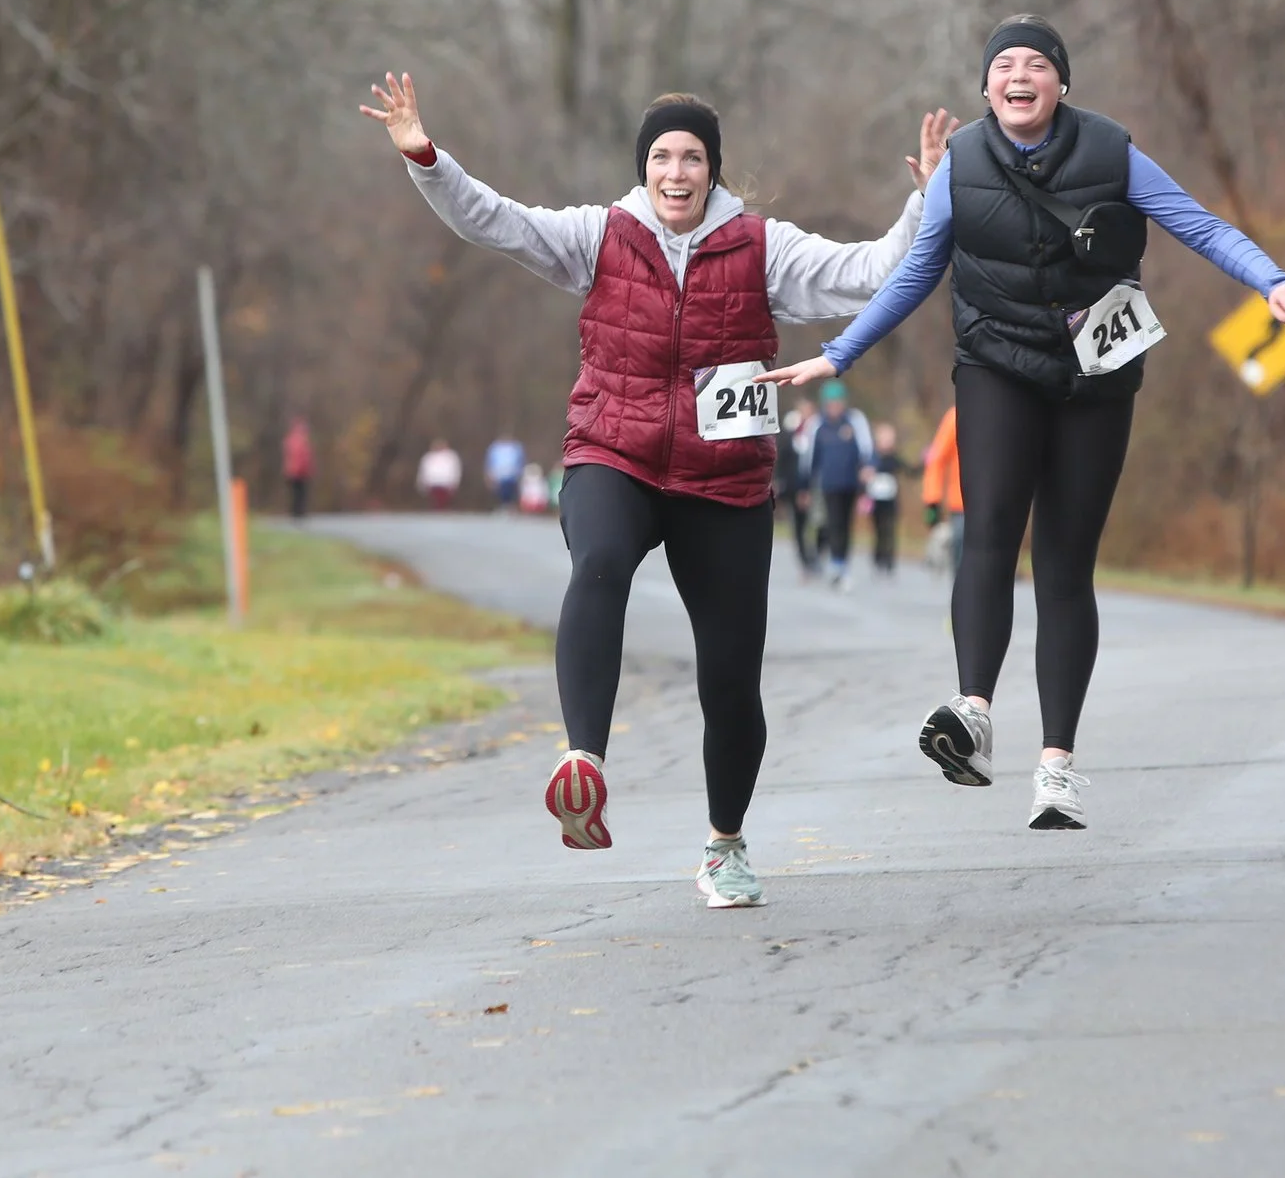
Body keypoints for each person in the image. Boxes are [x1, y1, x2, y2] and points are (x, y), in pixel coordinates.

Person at [363, 70, 950, 906]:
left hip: (724, 477)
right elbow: (495, 220)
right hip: (616, 448)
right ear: (644, 168)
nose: (677, 173)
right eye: (663, 157)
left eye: (693, 158)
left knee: (731, 677)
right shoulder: (599, 235)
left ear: (714, 169)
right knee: (598, 561)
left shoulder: (761, 246)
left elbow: (867, 272)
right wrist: (425, 154)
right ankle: (584, 765)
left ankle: (725, 845)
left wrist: (924, 201)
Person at [763, 14, 1285, 831]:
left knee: (1066, 562)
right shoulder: (960, 166)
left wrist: (1270, 281)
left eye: (1037, 64)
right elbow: (919, 270)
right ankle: (975, 711)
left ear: (1062, 83)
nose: (1019, 75)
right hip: (996, 361)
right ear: (985, 87)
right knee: (988, 525)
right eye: (1004, 66)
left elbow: (1196, 223)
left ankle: (1056, 765)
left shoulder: (1111, 152)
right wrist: (838, 356)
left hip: (1098, 370)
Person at [807, 382, 874, 588]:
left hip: (850, 483)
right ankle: (836, 565)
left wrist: (868, 467)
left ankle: (843, 563)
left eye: (837, 402)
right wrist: (805, 487)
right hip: (828, 484)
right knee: (833, 523)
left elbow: (867, 449)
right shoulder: (817, 425)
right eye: (831, 403)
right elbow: (810, 459)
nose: (834, 407)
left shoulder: (855, 421)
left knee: (846, 524)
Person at [775, 403, 818, 579]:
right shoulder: (790, 431)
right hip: (793, 486)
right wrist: (778, 481)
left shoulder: (816, 430)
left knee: (818, 523)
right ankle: (806, 562)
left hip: (814, 486)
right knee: (799, 526)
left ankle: (816, 556)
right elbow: (782, 457)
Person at [920, 405, 963, 575]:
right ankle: (963, 599)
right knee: (962, 555)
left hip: (1000, 502)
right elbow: (936, 460)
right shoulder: (956, 416)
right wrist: (932, 500)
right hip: (962, 504)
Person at [867, 422, 908, 576]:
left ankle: (889, 561)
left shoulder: (894, 458)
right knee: (878, 531)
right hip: (876, 501)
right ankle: (878, 559)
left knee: (890, 531)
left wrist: (926, 460)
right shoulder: (872, 457)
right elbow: (863, 476)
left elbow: (909, 470)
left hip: (891, 501)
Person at [281, 417, 315, 520]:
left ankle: (296, 512)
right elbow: (303, 458)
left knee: (296, 493)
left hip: (291, 471)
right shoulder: (301, 441)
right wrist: (305, 469)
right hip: (299, 472)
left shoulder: (290, 440)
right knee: (300, 493)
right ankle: (299, 512)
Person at [485, 434, 528, 511]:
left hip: (511, 475)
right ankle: (503, 506)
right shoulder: (496, 448)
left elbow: (520, 461)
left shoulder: (515, 448)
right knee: (501, 492)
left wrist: (520, 473)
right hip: (499, 475)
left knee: (510, 491)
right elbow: (490, 462)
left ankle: (509, 506)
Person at [416, 439, 463, 508]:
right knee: (434, 504)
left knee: (444, 504)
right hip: (432, 484)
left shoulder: (451, 456)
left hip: (446, 484)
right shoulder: (428, 457)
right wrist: (422, 484)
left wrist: (455, 483)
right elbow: (423, 470)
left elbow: (455, 470)